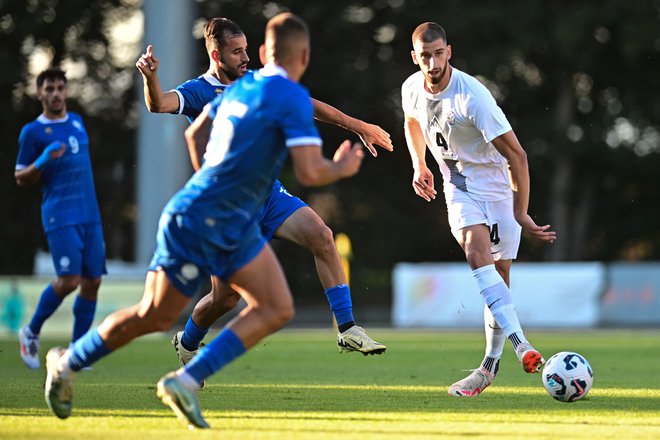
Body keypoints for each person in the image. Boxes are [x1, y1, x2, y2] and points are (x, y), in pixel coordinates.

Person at [44, 12, 365, 429]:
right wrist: (341, 167)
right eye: (239, 51)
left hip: (196, 210)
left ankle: (69, 364)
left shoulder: (239, 89)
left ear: (266, 53)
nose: (247, 57)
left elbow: (194, 135)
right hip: (221, 219)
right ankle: (185, 377)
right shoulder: (283, 95)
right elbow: (310, 172)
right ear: (303, 55)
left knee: (156, 316)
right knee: (272, 307)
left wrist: (213, 179)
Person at [135, 17, 390, 374]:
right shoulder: (198, 91)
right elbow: (159, 104)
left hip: (268, 195)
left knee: (322, 236)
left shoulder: (255, 80)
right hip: (232, 207)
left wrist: (359, 126)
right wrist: (150, 77)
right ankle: (189, 340)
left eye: (245, 49)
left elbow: (309, 104)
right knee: (226, 298)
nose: (244, 57)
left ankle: (347, 328)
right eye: (236, 51)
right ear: (216, 53)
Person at [401, 23, 556, 397]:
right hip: (458, 186)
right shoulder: (410, 88)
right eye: (425, 56)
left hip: (497, 187)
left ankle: (488, 366)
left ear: (449, 51)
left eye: (439, 53)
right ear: (414, 57)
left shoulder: (473, 97)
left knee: (499, 275)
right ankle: (523, 346)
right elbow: (411, 122)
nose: (433, 62)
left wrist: (521, 212)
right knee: (476, 253)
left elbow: (517, 156)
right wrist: (419, 165)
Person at [15, 68, 106, 370]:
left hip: (89, 215)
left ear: (66, 91)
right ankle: (31, 331)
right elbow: (20, 177)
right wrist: (42, 160)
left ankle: (77, 352)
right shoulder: (33, 132)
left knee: (92, 281)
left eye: (60, 88)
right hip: (60, 215)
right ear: (40, 93)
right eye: (49, 89)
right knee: (70, 280)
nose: (55, 94)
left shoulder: (77, 122)